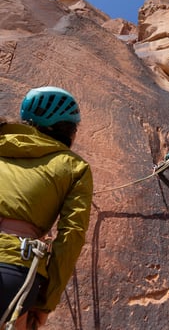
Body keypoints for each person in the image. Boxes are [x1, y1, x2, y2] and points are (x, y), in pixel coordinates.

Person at [0, 86, 93, 329]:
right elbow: (71, 236)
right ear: (70, 131)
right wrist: (45, 303)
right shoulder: (74, 167)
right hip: (13, 269)